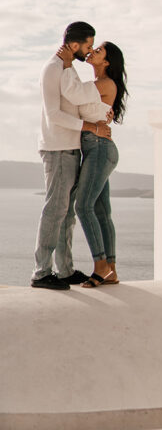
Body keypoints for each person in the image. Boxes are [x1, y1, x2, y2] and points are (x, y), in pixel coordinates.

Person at [31, 21, 113, 291]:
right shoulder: (53, 68)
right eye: (88, 45)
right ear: (75, 44)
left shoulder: (68, 69)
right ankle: (41, 272)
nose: (89, 50)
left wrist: (103, 113)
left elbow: (79, 103)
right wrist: (90, 126)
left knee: (66, 214)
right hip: (57, 148)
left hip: (71, 147)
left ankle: (64, 270)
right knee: (55, 210)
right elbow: (54, 114)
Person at [59, 40, 128, 287]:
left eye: (98, 51)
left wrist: (67, 64)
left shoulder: (104, 83)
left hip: (99, 148)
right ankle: (111, 269)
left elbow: (73, 93)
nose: (92, 52)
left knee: (83, 207)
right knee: (101, 211)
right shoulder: (99, 85)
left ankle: (100, 267)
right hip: (97, 148)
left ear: (106, 62)